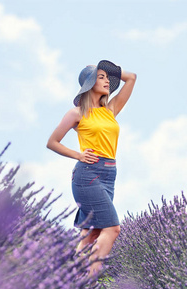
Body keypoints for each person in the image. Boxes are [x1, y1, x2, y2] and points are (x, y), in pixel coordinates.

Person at [46, 60, 137, 276]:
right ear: (89, 84)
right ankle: (89, 282)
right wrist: (78, 154)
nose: (107, 81)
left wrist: (109, 69)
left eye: (108, 78)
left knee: (93, 233)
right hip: (88, 174)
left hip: (109, 174)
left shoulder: (111, 109)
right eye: (101, 77)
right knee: (112, 228)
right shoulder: (76, 113)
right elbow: (53, 142)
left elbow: (131, 77)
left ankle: (70, 281)